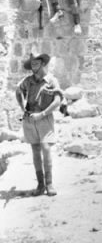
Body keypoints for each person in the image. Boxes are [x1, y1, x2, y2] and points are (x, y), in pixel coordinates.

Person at [15, 53, 63, 196]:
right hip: (30, 119)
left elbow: (57, 101)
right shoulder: (27, 81)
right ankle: (40, 185)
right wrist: (23, 108)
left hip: (44, 118)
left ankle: (49, 184)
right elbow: (18, 92)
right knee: (35, 150)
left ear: (42, 63)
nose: (33, 67)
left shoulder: (51, 80)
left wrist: (42, 114)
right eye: (32, 64)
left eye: (36, 64)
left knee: (46, 148)